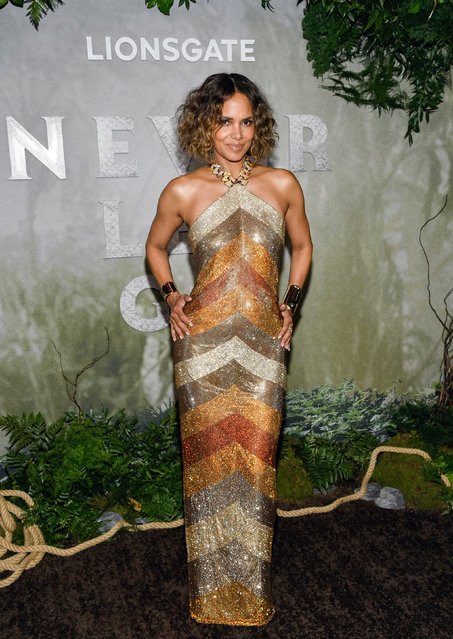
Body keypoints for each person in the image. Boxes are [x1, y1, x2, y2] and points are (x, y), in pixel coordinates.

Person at [146, 73, 312, 626]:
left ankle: (253, 593)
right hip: (204, 348)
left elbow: (304, 246)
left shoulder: (282, 183)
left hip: (265, 344)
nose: (235, 134)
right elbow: (154, 247)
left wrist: (290, 302)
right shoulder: (183, 190)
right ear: (205, 125)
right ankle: (210, 596)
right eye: (223, 122)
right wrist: (171, 297)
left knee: (257, 462)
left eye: (244, 121)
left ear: (256, 124)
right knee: (208, 466)